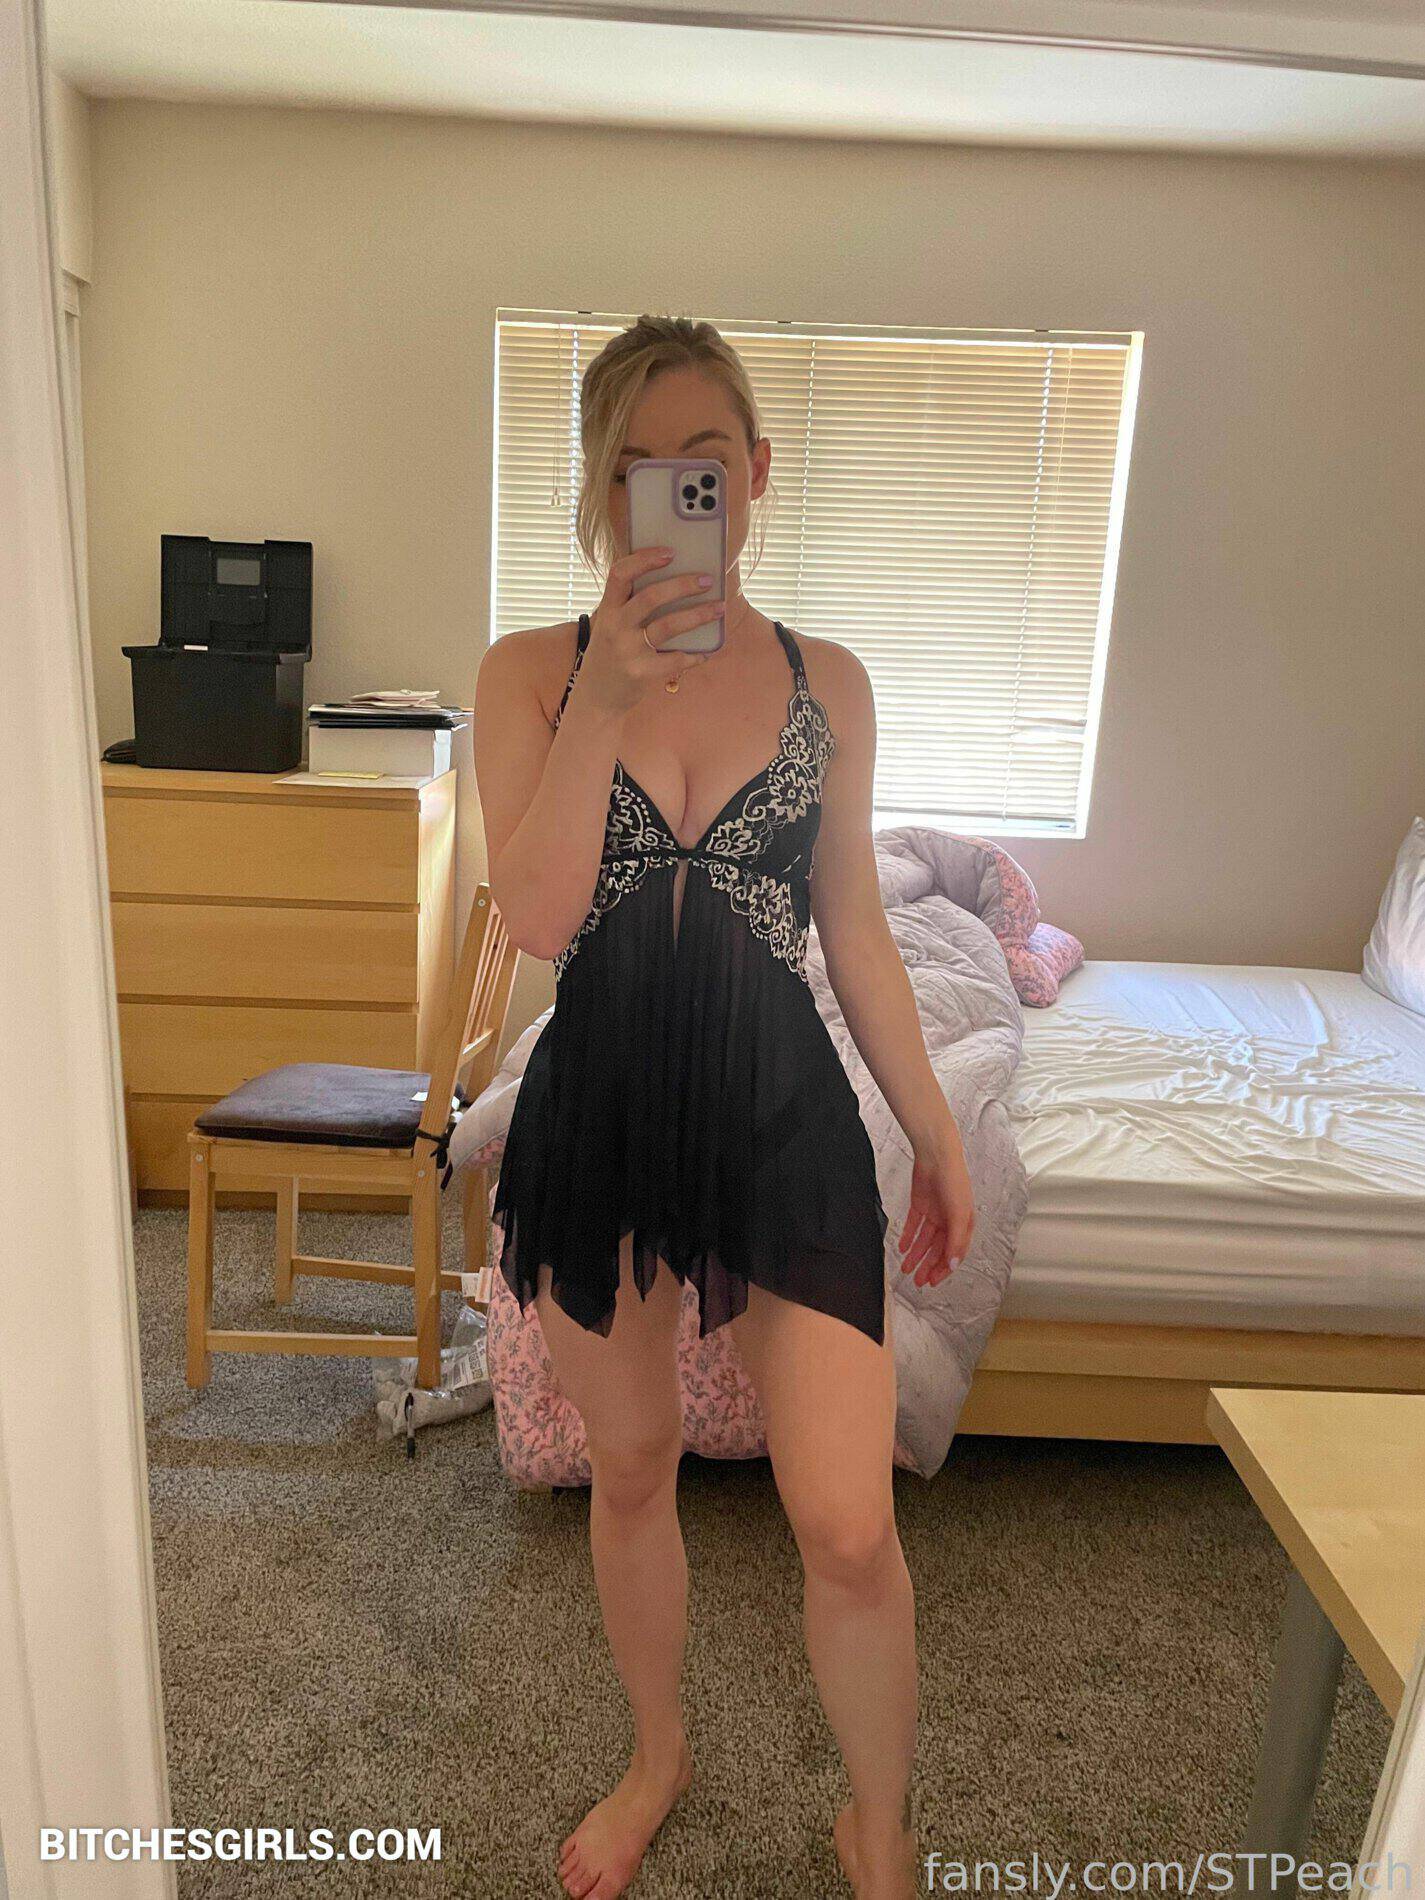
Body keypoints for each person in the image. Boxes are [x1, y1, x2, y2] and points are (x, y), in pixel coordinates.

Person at [474, 314, 976, 1900]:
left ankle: (877, 1826)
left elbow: (856, 926)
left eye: (702, 461)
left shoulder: (828, 682)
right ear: (598, 485)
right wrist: (603, 705)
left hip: (777, 1115)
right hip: (600, 1116)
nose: (674, 491)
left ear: (754, 473)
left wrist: (935, 1128)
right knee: (631, 1470)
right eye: (637, 466)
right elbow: (538, 920)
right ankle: (657, 1754)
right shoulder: (528, 675)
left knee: (846, 1522)